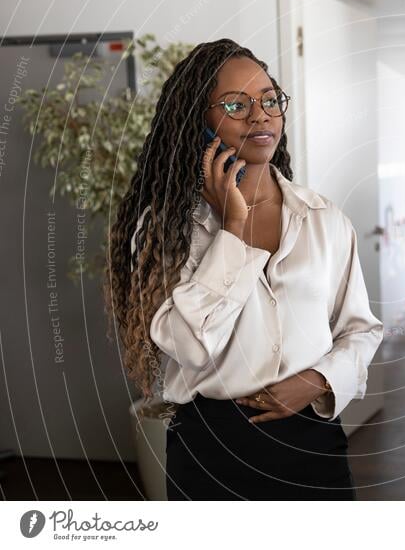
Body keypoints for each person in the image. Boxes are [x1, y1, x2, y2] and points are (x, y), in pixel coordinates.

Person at [104, 38, 384, 500]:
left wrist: (317, 381)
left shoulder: (324, 219)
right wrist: (232, 231)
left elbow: (361, 330)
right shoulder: (167, 230)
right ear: (201, 119)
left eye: (270, 100)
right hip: (212, 448)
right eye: (236, 104)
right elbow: (189, 346)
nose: (260, 116)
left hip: (314, 442)